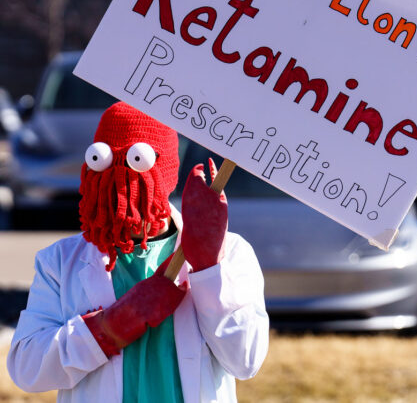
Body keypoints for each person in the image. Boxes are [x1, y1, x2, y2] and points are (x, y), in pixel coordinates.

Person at [7, 102, 269, 403]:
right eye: (103, 161)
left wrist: (209, 268)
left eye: (134, 163)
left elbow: (245, 360)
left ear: (166, 173)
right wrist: (109, 327)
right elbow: (27, 368)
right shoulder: (59, 262)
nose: (119, 182)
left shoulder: (232, 252)